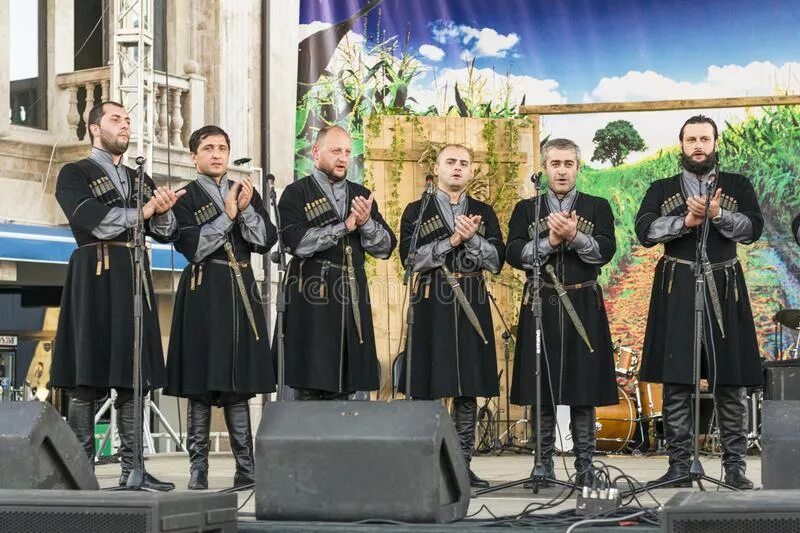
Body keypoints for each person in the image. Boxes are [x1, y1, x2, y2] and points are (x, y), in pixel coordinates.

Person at [53, 101, 182, 491]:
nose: (125, 125)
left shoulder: (138, 176)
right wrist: (144, 212)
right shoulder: (74, 172)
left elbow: (166, 230)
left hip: (134, 275)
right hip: (95, 274)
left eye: (128, 120)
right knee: (86, 375)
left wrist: (163, 210)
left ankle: (134, 469)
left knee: (133, 376)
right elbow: (93, 219)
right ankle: (80, 473)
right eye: (116, 120)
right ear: (94, 128)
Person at [635, 115, 763, 490]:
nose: (698, 146)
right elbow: (644, 230)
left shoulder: (737, 184)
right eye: (691, 139)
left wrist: (719, 214)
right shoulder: (662, 188)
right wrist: (685, 221)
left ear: (715, 143)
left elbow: (754, 228)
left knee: (731, 382)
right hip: (678, 285)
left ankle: (735, 468)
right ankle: (679, 466)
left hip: (725, 284)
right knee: (677, 381)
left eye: (704, 139)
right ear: (681, 145)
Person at [165, 125, 278, 490]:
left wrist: (244, 211)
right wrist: (226, 216)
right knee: (200, 382)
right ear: (193, 156)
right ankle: (198, 473)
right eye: (208, 147)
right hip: (203, 290)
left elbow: (264, 241)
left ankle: (246, 469)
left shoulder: (245, 190)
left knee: (239, 383)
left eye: (223, 148)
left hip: (240, 287)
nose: (217, 154)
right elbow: (194, 247)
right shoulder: (184, 195)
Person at [507, 138, 618, 487]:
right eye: (555, 163)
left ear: (577, 168)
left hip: (584, 303)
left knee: (583, 389)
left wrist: (575, 237)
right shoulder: (527, 209)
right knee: (542, 387)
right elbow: (513, 253)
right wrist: (550, 243)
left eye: (568, 163)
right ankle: (543, 466)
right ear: (544, 167)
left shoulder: (597, 207)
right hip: (541, 303)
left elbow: (605, 251)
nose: (561, 170)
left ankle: (585, 468)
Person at [398, 143, 505, 488]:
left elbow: (496, 261)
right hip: (432, 300)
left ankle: (461, 465)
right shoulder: (417, 210)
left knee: (467, 387)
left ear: (471, 171)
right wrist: (453, 240)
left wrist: (472, 240)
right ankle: (430, 466)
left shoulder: (484, 212)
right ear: (438, 169)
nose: (457, 168)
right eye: (450, 162)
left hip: (472, 297)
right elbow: (411, 261)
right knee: (429, 385)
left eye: (463, 163)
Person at [278, 125, 396, 400]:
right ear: (316, 152)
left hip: (351, 290)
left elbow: (386, 247)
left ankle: (342, 441)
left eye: (347, 152)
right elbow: (297, 242)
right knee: (310, 377)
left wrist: (366, 223)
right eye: (335, 151)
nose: (343, 158)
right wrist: (344, 226)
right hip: (312, 294)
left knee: (348, 378)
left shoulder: (361, 194)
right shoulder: (296, 193)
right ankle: (309, 441)